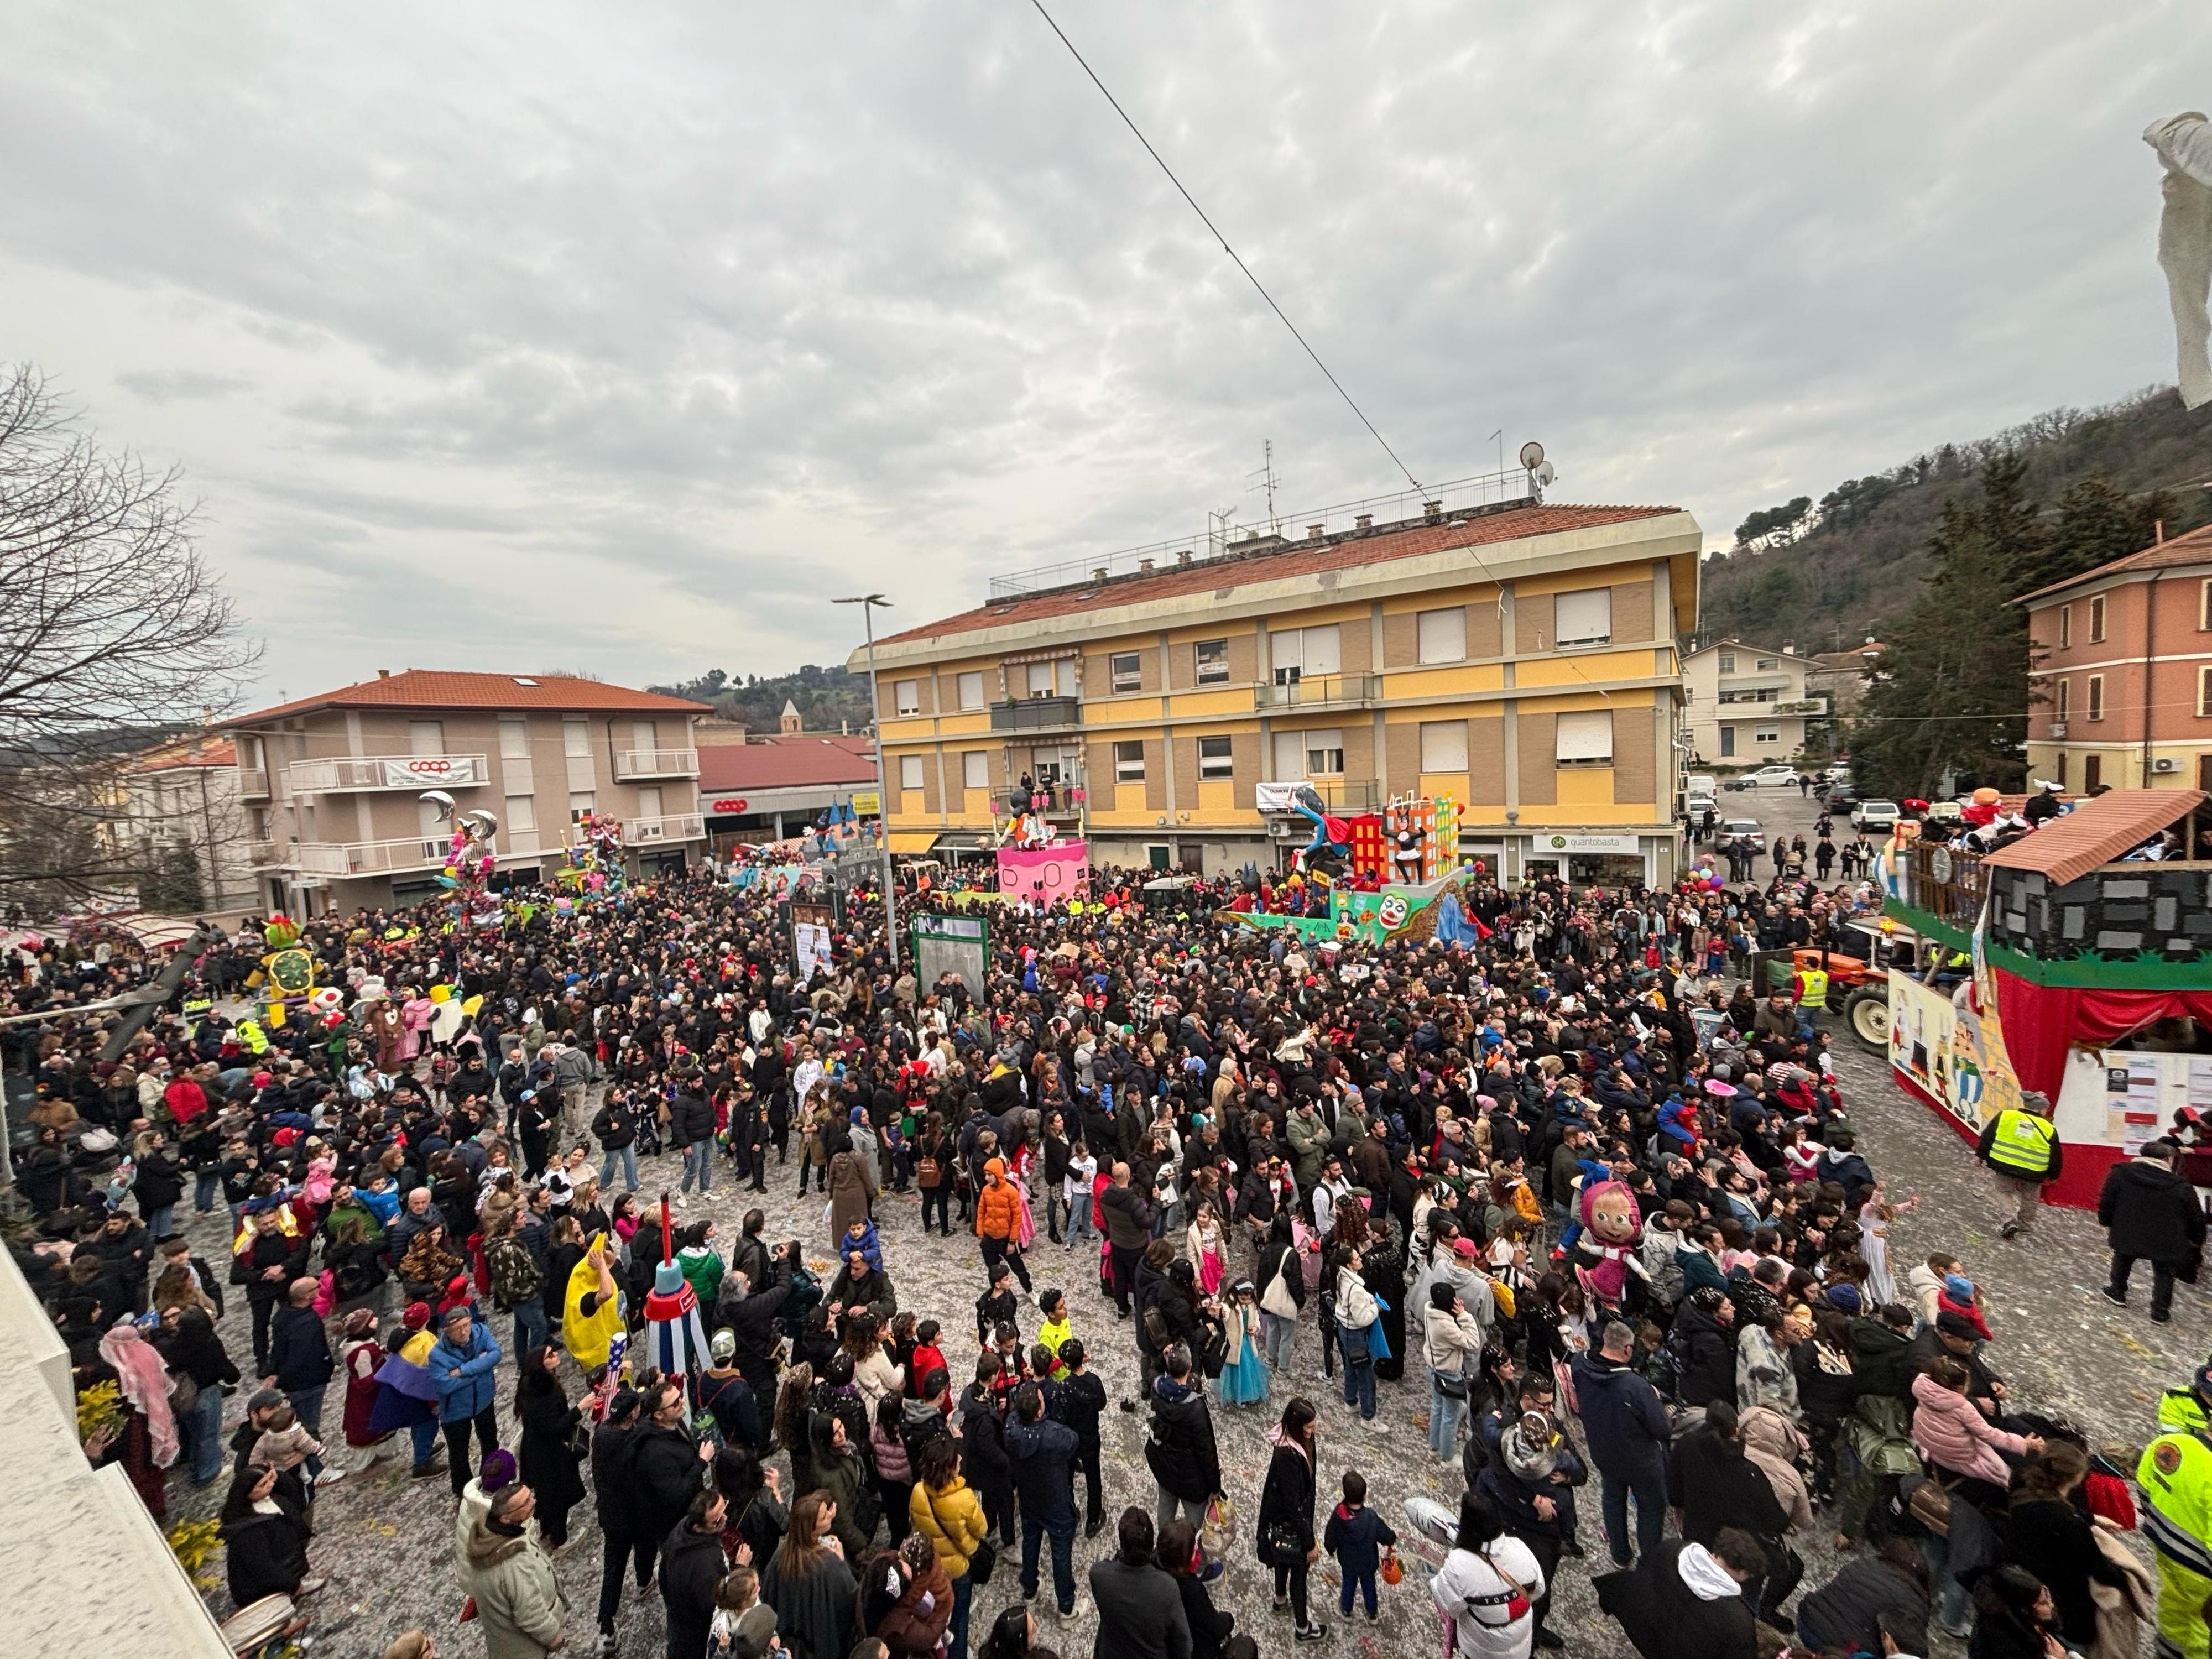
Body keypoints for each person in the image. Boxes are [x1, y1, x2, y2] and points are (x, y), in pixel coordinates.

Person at [1571, 1319, 1672, 1568]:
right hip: (1640, 1460)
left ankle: (1620, 1554)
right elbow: (1662, 1429)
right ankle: (1649, 1563)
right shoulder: (1635, 1387)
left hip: (1603, 1450)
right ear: (1627, 1350)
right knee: (1651, 1509)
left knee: (1613, 1499)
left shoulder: (1580, 1364)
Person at [1591, 1526, 1766, 1659]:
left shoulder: (1673, 1547)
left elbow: (1644, 1569)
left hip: (1647, 1628)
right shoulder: (1738, 1619)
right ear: (1742, 1571)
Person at [2097, 1136, 2205, 1323]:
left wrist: (2106, 1221)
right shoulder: (2181, 1186)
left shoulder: (2121, 1173)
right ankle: (2160, 1312)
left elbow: (2107, 1199)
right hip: (2166, 1237)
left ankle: (2117, 1292)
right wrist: (2197, 1239)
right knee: (2164, 1271)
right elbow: (2195, 1216)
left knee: (2123, 1257)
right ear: (2167, 1160)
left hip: (2128, 1229)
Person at [1431, 1488, 1545, 1659]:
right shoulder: (1520, 1547)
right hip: (1521, 1645)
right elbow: (1539, 1590)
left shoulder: (1459, 1563)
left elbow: (1448, 1605)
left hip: (1482, 1649)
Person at [460, 1481, 569, 1659]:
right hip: (525, 1650)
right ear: (505, 1519)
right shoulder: (512, 1562)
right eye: (525, 1502)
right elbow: (530, 1612)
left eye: (530, 1496)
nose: (533, 1502)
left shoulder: (490, 1535)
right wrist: (553, 1636)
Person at [1004, 1379, 1082, 1619]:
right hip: (1055, 1500)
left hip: (1029, 1496)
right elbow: (1073, 1440)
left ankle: (1029, 1588)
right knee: (1060, 1553)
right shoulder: (1054, 1436)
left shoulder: (1011, 1430)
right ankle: (1066, 1606)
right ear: (1039, 1410)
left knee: (1031, 1541)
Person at [910, 1434, 988, 1659]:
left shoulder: (918, 1491)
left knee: (939, 1612)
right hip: (958, 1566)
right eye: (956, 1459)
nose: (961, 1459)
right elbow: (981, 1529)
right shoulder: (964, 1498)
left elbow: (916, 1523)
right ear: (949, 1468)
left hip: (932, 1566)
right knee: (960, 1616)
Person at [1256, 1396, 1327, 1643]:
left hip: (1284, 1522)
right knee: (1299, 1575)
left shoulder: (1297, 1439)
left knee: (1281, 1559)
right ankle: (1302, 1626)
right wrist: (1309, 1542)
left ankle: (1279, 1599)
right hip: (1291, 1522)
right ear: (1298, 1427)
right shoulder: (1288, 1456)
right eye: (1309, 1427)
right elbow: (1292, 1504)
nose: (1313, 1431)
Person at [762, 1490, 859, 1659]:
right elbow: (851, 1598)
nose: (830, 1515)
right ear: (812, 1529)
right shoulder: (830, 1563)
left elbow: (768, 1596)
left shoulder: (781, 1555)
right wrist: (842, 1560)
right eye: (824, 1517)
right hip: (822, 1643)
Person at [1089, 1507, 1192, 1659]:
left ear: (1122, 1543)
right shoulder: (1167, 1588)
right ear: (1152, 1542)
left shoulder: (1099, 1574)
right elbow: (1184, 1641)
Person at [1145, 1342, 1224, 1538]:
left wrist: (1160, 1360)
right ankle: (1189, 1553)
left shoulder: (1158, 1388)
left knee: (1165, 1507)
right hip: (1191, 1476)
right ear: (1189, 1368)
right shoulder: (1195, 1408)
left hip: (1164, 1466)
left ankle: (1164, 1546)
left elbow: (1152, 1372)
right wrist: (1215, 1487)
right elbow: (1207, 1451)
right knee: (1194, 1522)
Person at [220, 1458, 320, 1607]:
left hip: (284, 1557)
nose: (270, 1485)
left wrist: (277, 1475)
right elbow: (263, 1567)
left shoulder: (269, 1499)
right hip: (262, 1587)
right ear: (246, 1492)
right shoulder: (247, 1530)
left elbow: (293, 1495)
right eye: (263, 1484)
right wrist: (292, 1584)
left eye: (270, 1481)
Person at [513, 1347, 586, 1552]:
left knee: (548, 1495)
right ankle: (559, 1539)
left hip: (538, 1449)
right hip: (549, 1453)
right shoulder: (543, 1390)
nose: (556, 1356)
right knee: (557, 1495)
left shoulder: (534, 1385)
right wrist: (579, 1409)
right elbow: (553, 1427)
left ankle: (550, 1531)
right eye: (550, 1355)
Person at [429, 1304, 503, 1500]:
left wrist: (462, 1370)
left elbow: (496, 1355)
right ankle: (463, 1490)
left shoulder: (482, 1332)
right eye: (457, 1329)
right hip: (455, 1411)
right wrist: (481, 1367)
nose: (463, 1332)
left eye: (466, 1325)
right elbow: (444, 1386)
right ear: (446, 1331)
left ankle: (491, 1479)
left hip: (484, 1400)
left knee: (490, 1441)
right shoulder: (437, 1354)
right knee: (459, 1453)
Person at [1975, 1088, 2062, 1240]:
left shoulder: (2006, 1116)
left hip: (2005, 1164)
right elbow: (2055, 1155)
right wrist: (2053, 1174)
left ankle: (2009, 1219)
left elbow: (1988, 1136)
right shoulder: (2049, 1128)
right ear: (2041, 1109)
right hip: (2034, 1171)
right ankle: (2025, 1225)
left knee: (2003, 1192)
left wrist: (1981, 1155)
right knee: (2030, 1198)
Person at [662, 1488, 731, 1659]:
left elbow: (664, 1576)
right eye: (717, 1521)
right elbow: (716, 1608)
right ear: (699, 1526)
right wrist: (739, 1566)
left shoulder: (682, 1529)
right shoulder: (706, 1568)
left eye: (725, 1509)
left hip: (679, 1617)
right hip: (697, 1635)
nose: (725, 1519)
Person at [1322, 1468, 1397, 1623]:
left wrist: (1330, 1548)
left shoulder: (1339, 1515)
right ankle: (1372, 1614)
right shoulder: (1371, 1517)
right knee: (1369, 1586)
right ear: (1365, 1495)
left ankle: (1347, 1610)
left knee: (1348, 1584)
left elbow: (1331, 1533)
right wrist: (1392, 1538)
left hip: (1348, 1561)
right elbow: (1386, 1536)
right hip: (1368, 1562)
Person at [1156, 1516, 1234, 1659]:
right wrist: (1229, 1620)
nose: (1198, 1554)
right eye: (1194, 1551)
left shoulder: (1155, 1566)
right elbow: (1215, 1626)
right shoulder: (1191, 1589)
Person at [1425, 1281, 1484, 1464]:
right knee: (1450, 1416)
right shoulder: (1446, 1325)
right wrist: (1464, 1315)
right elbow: (1473, 1342)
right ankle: (1447, 1457)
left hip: (1433, 1367)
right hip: (1448, 1373)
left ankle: (1434, 1447)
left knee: (1437, 1408)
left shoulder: (1430, 1312)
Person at [1966, 1564, 2070, 1659]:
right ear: (2024, 1610)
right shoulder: (2007, 1643)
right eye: (2043, 1603)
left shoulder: (2033, 1623)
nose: (2051, 1605)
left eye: (2049, 1598)